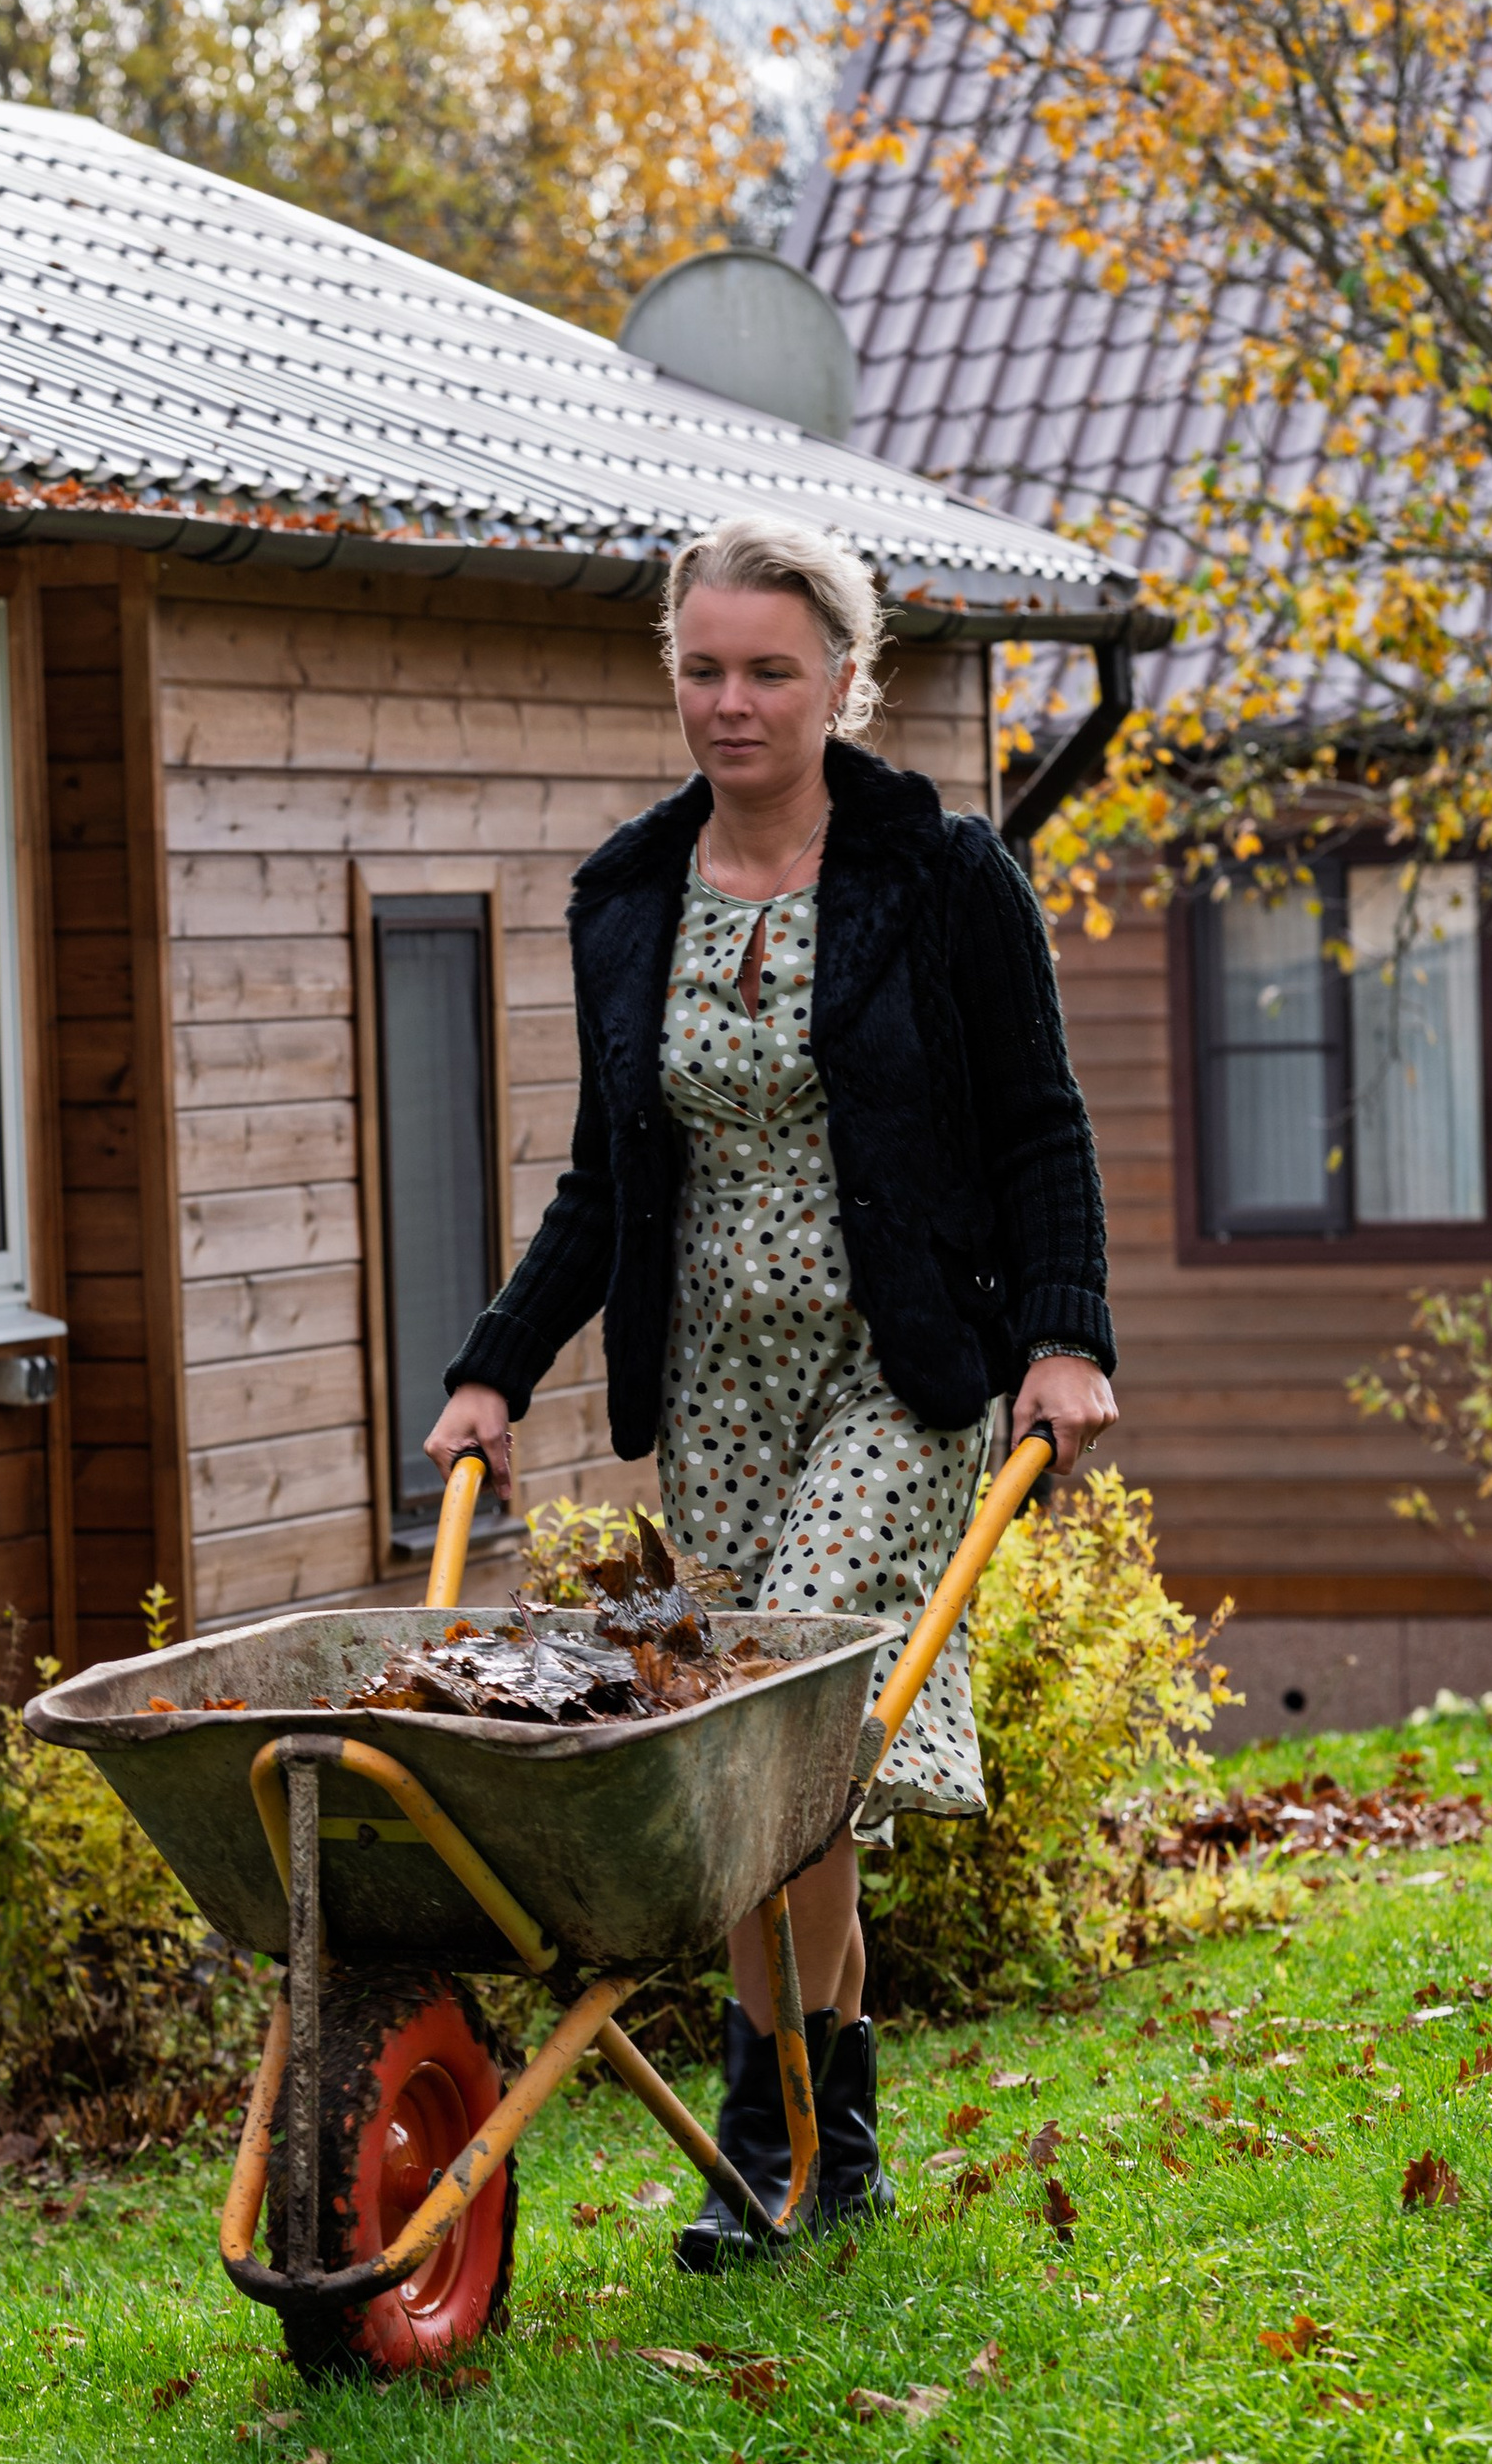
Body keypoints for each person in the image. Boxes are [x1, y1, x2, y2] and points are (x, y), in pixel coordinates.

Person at [426, 512, 1116, 2263]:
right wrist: (494, 1373)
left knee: (794, 1701)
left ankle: (793, 2145)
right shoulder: (628, 895)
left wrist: (1066, 1334)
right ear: (674, 672)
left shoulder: (941, 875)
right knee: (753, 1763)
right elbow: (607, 1183)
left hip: (901, 1365)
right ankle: (808, 2136)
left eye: (771, 672)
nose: (732, 705)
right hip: (720, 1380)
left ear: (843, 684)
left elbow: (1040, 1126)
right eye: (704, 669)